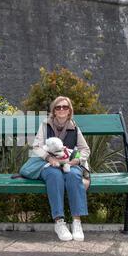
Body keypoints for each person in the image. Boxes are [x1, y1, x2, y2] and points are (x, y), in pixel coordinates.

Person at [32, 96, 91, 241]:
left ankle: (77, 222)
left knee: (73, 176)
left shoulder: (74, 127)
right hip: (49, 164)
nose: (62, 109)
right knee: (55, 176)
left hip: (69, 164)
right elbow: (36, 147)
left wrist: (77, 160)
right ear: (54, 110)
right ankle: (59, 222)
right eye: (58, 107)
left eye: (65, 107)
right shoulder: (45, 125)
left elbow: (85, 149)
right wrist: (49, 158)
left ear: (70, 110)